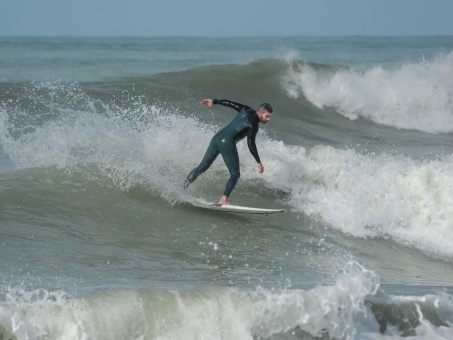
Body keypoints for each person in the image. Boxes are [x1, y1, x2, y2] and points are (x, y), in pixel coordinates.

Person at [183, 98, 273, 205]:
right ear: (260, 112)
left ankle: (182, 187)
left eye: (270, 117)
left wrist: (214, 101)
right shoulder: (254, 124)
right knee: (235, 174)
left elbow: (231, 103)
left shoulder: (246, 109)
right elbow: (250, 143)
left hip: (216, 138)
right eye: (267, 116)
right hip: (227, 142)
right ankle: (223, 199)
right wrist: (258, 161)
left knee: (202, 167)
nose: (268, 119)